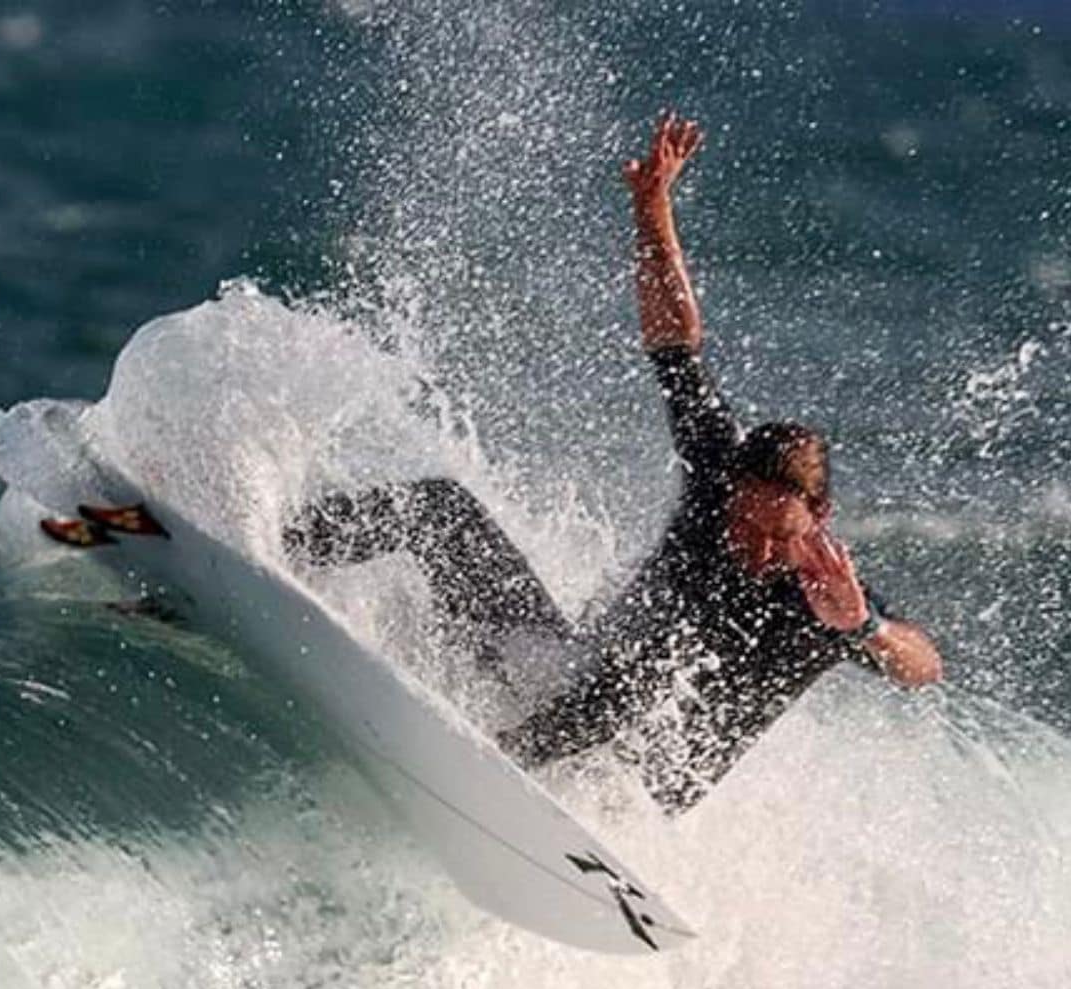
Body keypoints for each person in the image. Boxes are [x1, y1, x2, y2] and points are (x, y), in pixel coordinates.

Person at [285, 113, 942, 811]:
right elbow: (675, 343)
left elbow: (923, 667)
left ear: (820, 516)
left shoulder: (827, 598)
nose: (754, 547)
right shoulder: (717, 471)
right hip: (553, 693)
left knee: (653, 667)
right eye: (744, 525)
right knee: (439, 510)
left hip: (630, 794)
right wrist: (652, 207)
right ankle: (262, 553)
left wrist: (863, 627)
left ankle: (487, 771)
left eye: (778, 536)